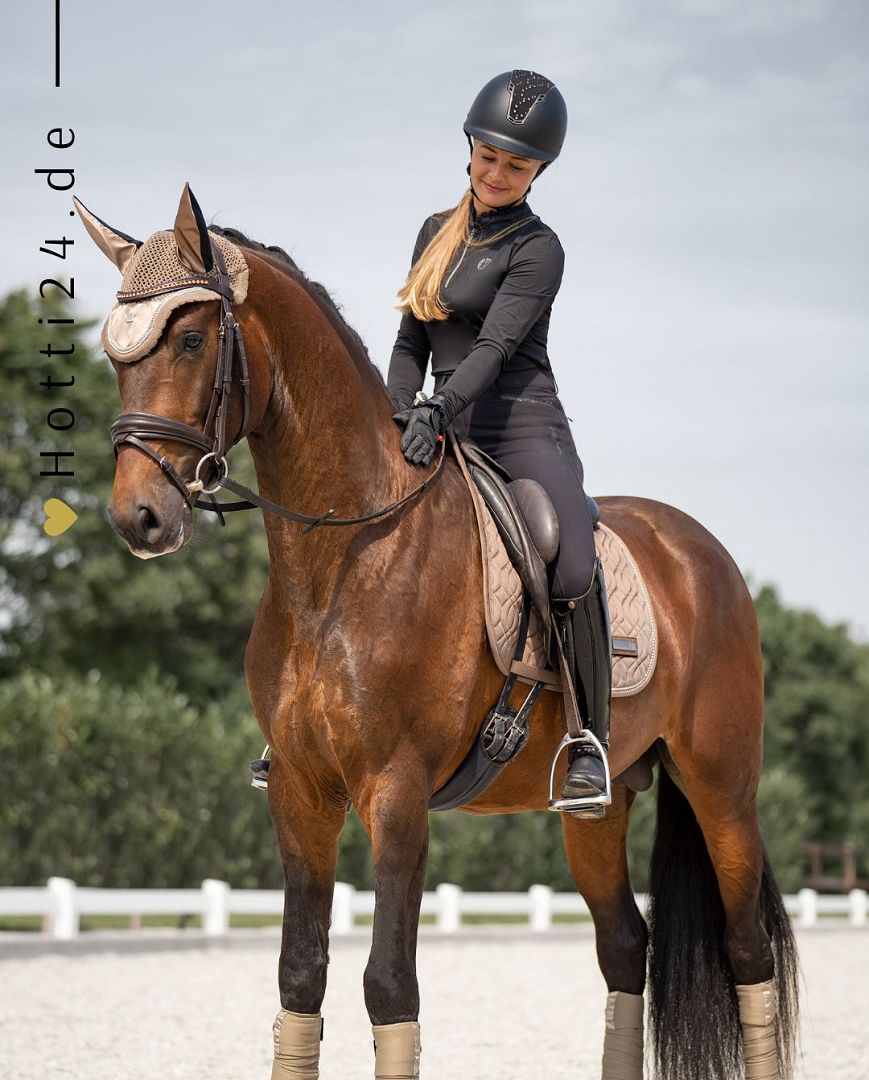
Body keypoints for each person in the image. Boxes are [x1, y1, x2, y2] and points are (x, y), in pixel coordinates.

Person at [387, 69, 612, 812]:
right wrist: (395, 412)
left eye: (516, 165)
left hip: (518, 424)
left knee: (572, 559)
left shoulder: (538, 248)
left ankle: (587, 740)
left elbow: (493, 348)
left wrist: (438, 410)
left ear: (538, 171)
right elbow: (409, 337)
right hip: (436, 419)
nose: (497, 173)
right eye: (489, 157)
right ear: (470, 149)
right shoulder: (432, 231)